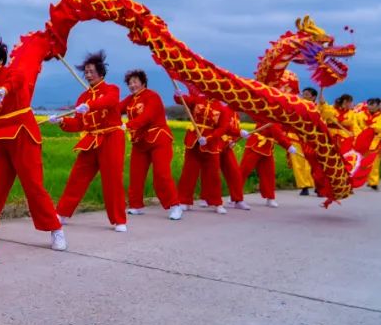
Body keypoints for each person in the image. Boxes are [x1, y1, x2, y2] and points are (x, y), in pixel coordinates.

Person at [0, 42, 66, 250]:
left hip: (21, 133)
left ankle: (56, 229)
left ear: (0, 59)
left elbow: (17, 81)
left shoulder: (11, 73)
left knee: (33, 185)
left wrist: (4, 90)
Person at [52, 51, 128, 231]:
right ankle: (62, 212)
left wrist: (91, 105)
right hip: (92, 138)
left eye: (91, 71)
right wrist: (62, 121)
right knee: (77, 176)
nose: (88, 75)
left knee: (112, 179)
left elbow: (109, 102)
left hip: (111, 137)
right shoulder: (83, 97)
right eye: (86, 72)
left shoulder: (111, 89)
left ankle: (119, 220)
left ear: (101, 73)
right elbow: (78, 124)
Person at [120, 70, 182, 221]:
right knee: (136, 174)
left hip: (158, 139)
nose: (132, 85)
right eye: (129, 83)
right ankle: (136, 205)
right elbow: (115, 109)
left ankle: (174, 205)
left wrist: (128, 125)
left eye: (135, 81)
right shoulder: (130, 99)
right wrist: (96, 108)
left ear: (143, 82)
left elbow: (147, 116)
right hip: (140, 142)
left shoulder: (152, 96)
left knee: (161, 174)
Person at [174, 87, 241, 214]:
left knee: (213, 175)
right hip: (193, 140)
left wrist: (210, 138)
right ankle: (184, 200)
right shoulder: (198, 99)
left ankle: (216, 202)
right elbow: (184, 101)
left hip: (211, 144)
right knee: (189, 171)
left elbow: (223, 128)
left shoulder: (222, 108)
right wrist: (178, 96)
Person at [238, 117, 298, 207]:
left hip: (267, 148)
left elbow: (283, 131)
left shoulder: (280, 117)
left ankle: (270, 198)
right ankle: (234, 196)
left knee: (269, 173)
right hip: (255, 146)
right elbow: (278, 134)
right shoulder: (270, 116)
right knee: (244, 171)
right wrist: (288, 146)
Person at [291, 88, 321, 195]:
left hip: (312, 138)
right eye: (303, 94)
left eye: (307, 94)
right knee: (298, 162)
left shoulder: (319, 108)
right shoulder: (296, 106)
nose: (303, 96)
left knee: (313, 163)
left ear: (313, 97)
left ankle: (318, 185)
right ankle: (304, 187)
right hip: (297, 137)